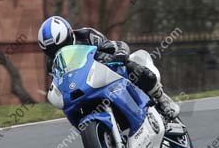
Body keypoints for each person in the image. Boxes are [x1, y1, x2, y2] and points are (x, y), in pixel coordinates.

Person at [37, 16, 180, 122]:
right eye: (52, 51)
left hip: (107, 70)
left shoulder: (87, 35)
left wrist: (120, 54)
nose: (58, 51)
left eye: (61, 46)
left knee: (134, 68)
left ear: (69, 35)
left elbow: (115, 46)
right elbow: (59, 81)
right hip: (83, 86)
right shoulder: (52, 63)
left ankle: (161, 98)